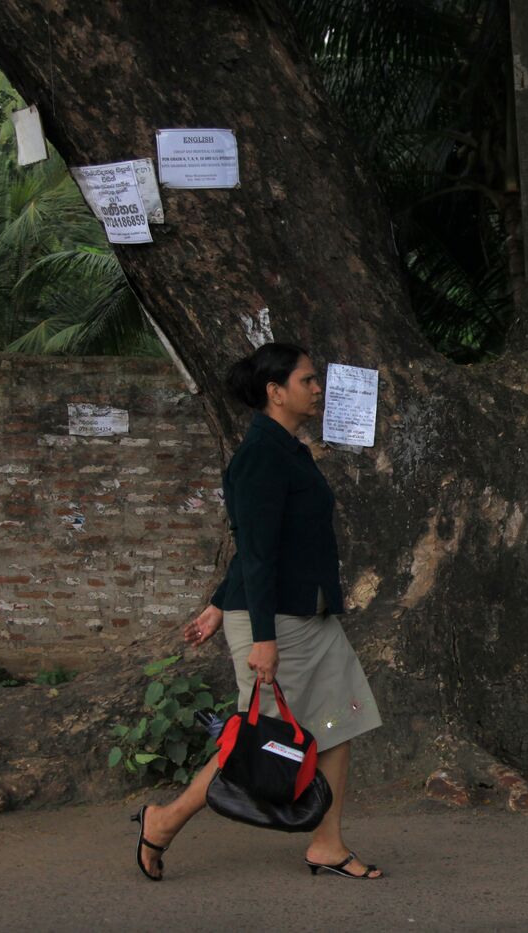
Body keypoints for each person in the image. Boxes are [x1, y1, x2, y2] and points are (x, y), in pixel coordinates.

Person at [132, 343, 384, 881]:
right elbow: (257, 552)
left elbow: (258, 544)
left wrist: (218, 604)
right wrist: (259, 635)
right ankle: (163, 821)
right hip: (276, 623)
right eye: (307, 381)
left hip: (310, 616)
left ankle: (327, 844)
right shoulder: (259, 457)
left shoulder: (288, 450)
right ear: (275, 392)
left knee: (341, 723)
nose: (317, 389)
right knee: (256, 740)